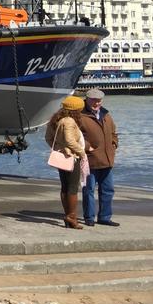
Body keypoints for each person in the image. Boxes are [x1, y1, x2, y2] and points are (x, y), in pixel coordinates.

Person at [78, 88, 120, 227]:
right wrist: (87, 147)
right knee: (88, 190)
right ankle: (89, 217)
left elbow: (114, 132)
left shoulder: (106, 115)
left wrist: (114, 144)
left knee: (108, 190)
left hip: (107, 159)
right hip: (89, 160)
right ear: (87, 99)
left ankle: (105, 217)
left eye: (99, 100)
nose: (97, 103)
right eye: (93, 100)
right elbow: (76, 136)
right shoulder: (80, 115)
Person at [45, 95, 88, 229]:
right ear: (76, 110)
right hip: (71, 158)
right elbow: (70, 140)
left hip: (62, 158)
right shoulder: (69, 121)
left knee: (65, 187)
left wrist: (58, 148)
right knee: (72, 188)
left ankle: (68, 216)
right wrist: (81, 152)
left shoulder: (56, 119)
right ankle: (71, 216)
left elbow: (48, 138)